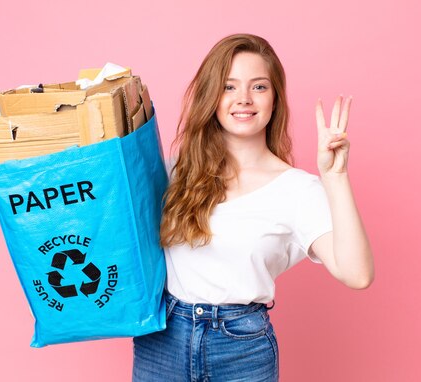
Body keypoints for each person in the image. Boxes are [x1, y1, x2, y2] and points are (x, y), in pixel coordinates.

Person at [132, 33, 374, 382]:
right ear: (211, 97)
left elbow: (358, 274)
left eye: (258, 87)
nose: (243, 99)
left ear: (275, 99)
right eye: (229, 87)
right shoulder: (175, 172)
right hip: (163, 339)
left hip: (240, 347)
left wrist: (335, 176)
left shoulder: (297, 189)